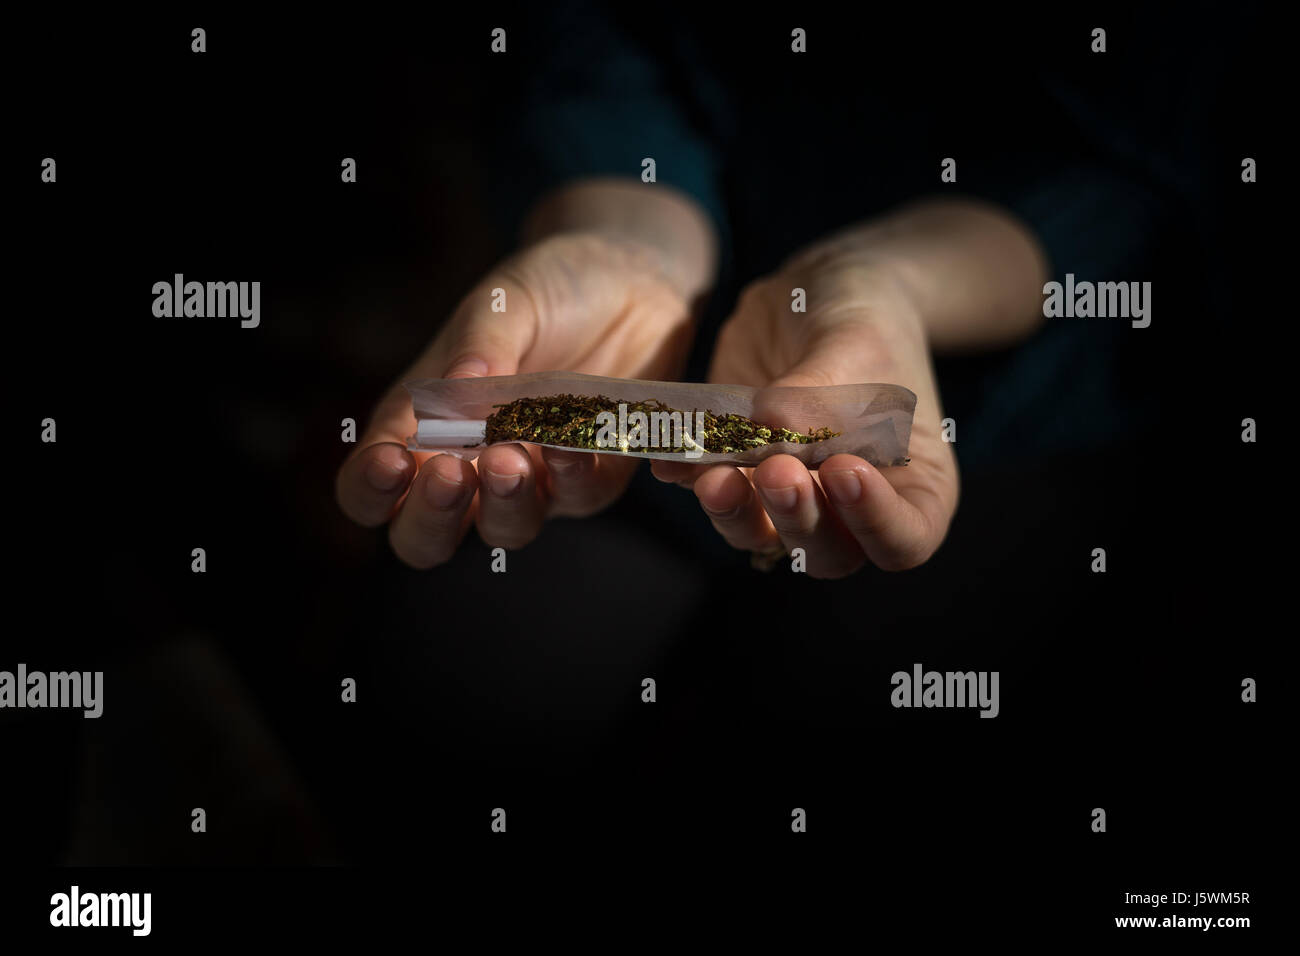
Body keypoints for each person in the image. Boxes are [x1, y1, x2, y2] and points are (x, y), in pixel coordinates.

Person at [335, 6, 1206, 578]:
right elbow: (598, 30)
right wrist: (621, 235)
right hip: (618, 437)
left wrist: (887, 284)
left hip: (1008, 432)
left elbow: (1152, 181)